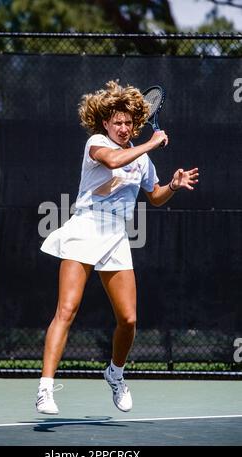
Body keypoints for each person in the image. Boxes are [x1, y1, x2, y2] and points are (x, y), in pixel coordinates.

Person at [36, 80, 199, 415]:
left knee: (128, 319)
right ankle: (45, 390)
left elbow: (154, 197)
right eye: (117, 123)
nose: (123, 128)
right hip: (85, 228)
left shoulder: (141, 161)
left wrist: (173, 185)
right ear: (106, 124)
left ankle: (115, 372)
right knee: (66, 309)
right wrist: (151, 144)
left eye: (128, 123)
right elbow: (112, 161)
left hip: (116, 236)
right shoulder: (96, 143)